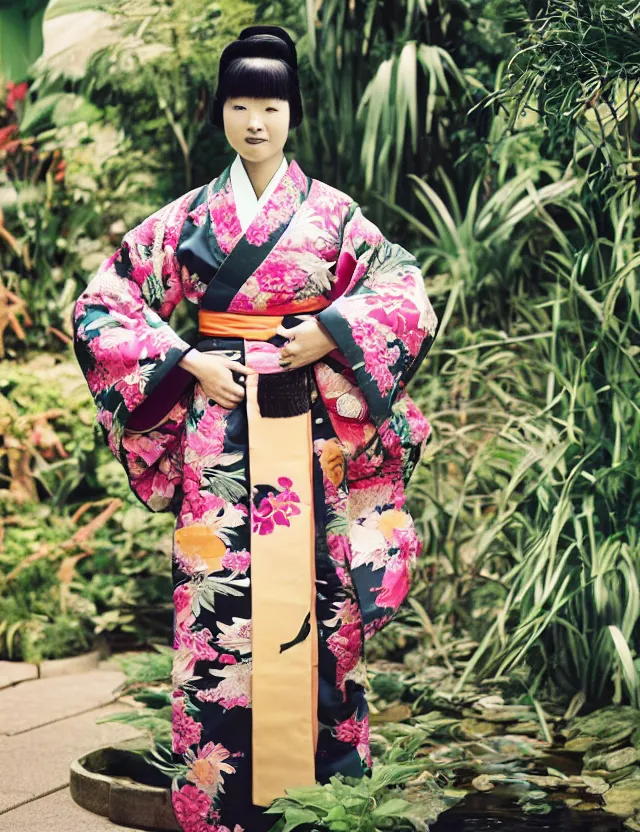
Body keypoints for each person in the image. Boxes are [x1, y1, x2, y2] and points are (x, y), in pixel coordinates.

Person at [72, 24, 439, 832]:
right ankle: (219, 803)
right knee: (217, 606)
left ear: (291, 113)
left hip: (311, 439)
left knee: (321, 604)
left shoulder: (335, 218)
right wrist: (186, 360)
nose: (256, 123)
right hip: (220, 436)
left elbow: (405, 291)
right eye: (241, 106)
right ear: (222, 113)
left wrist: (330, 332)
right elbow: (104, 302)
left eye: (270, 106)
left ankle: (325, 802)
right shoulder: (189, 219)